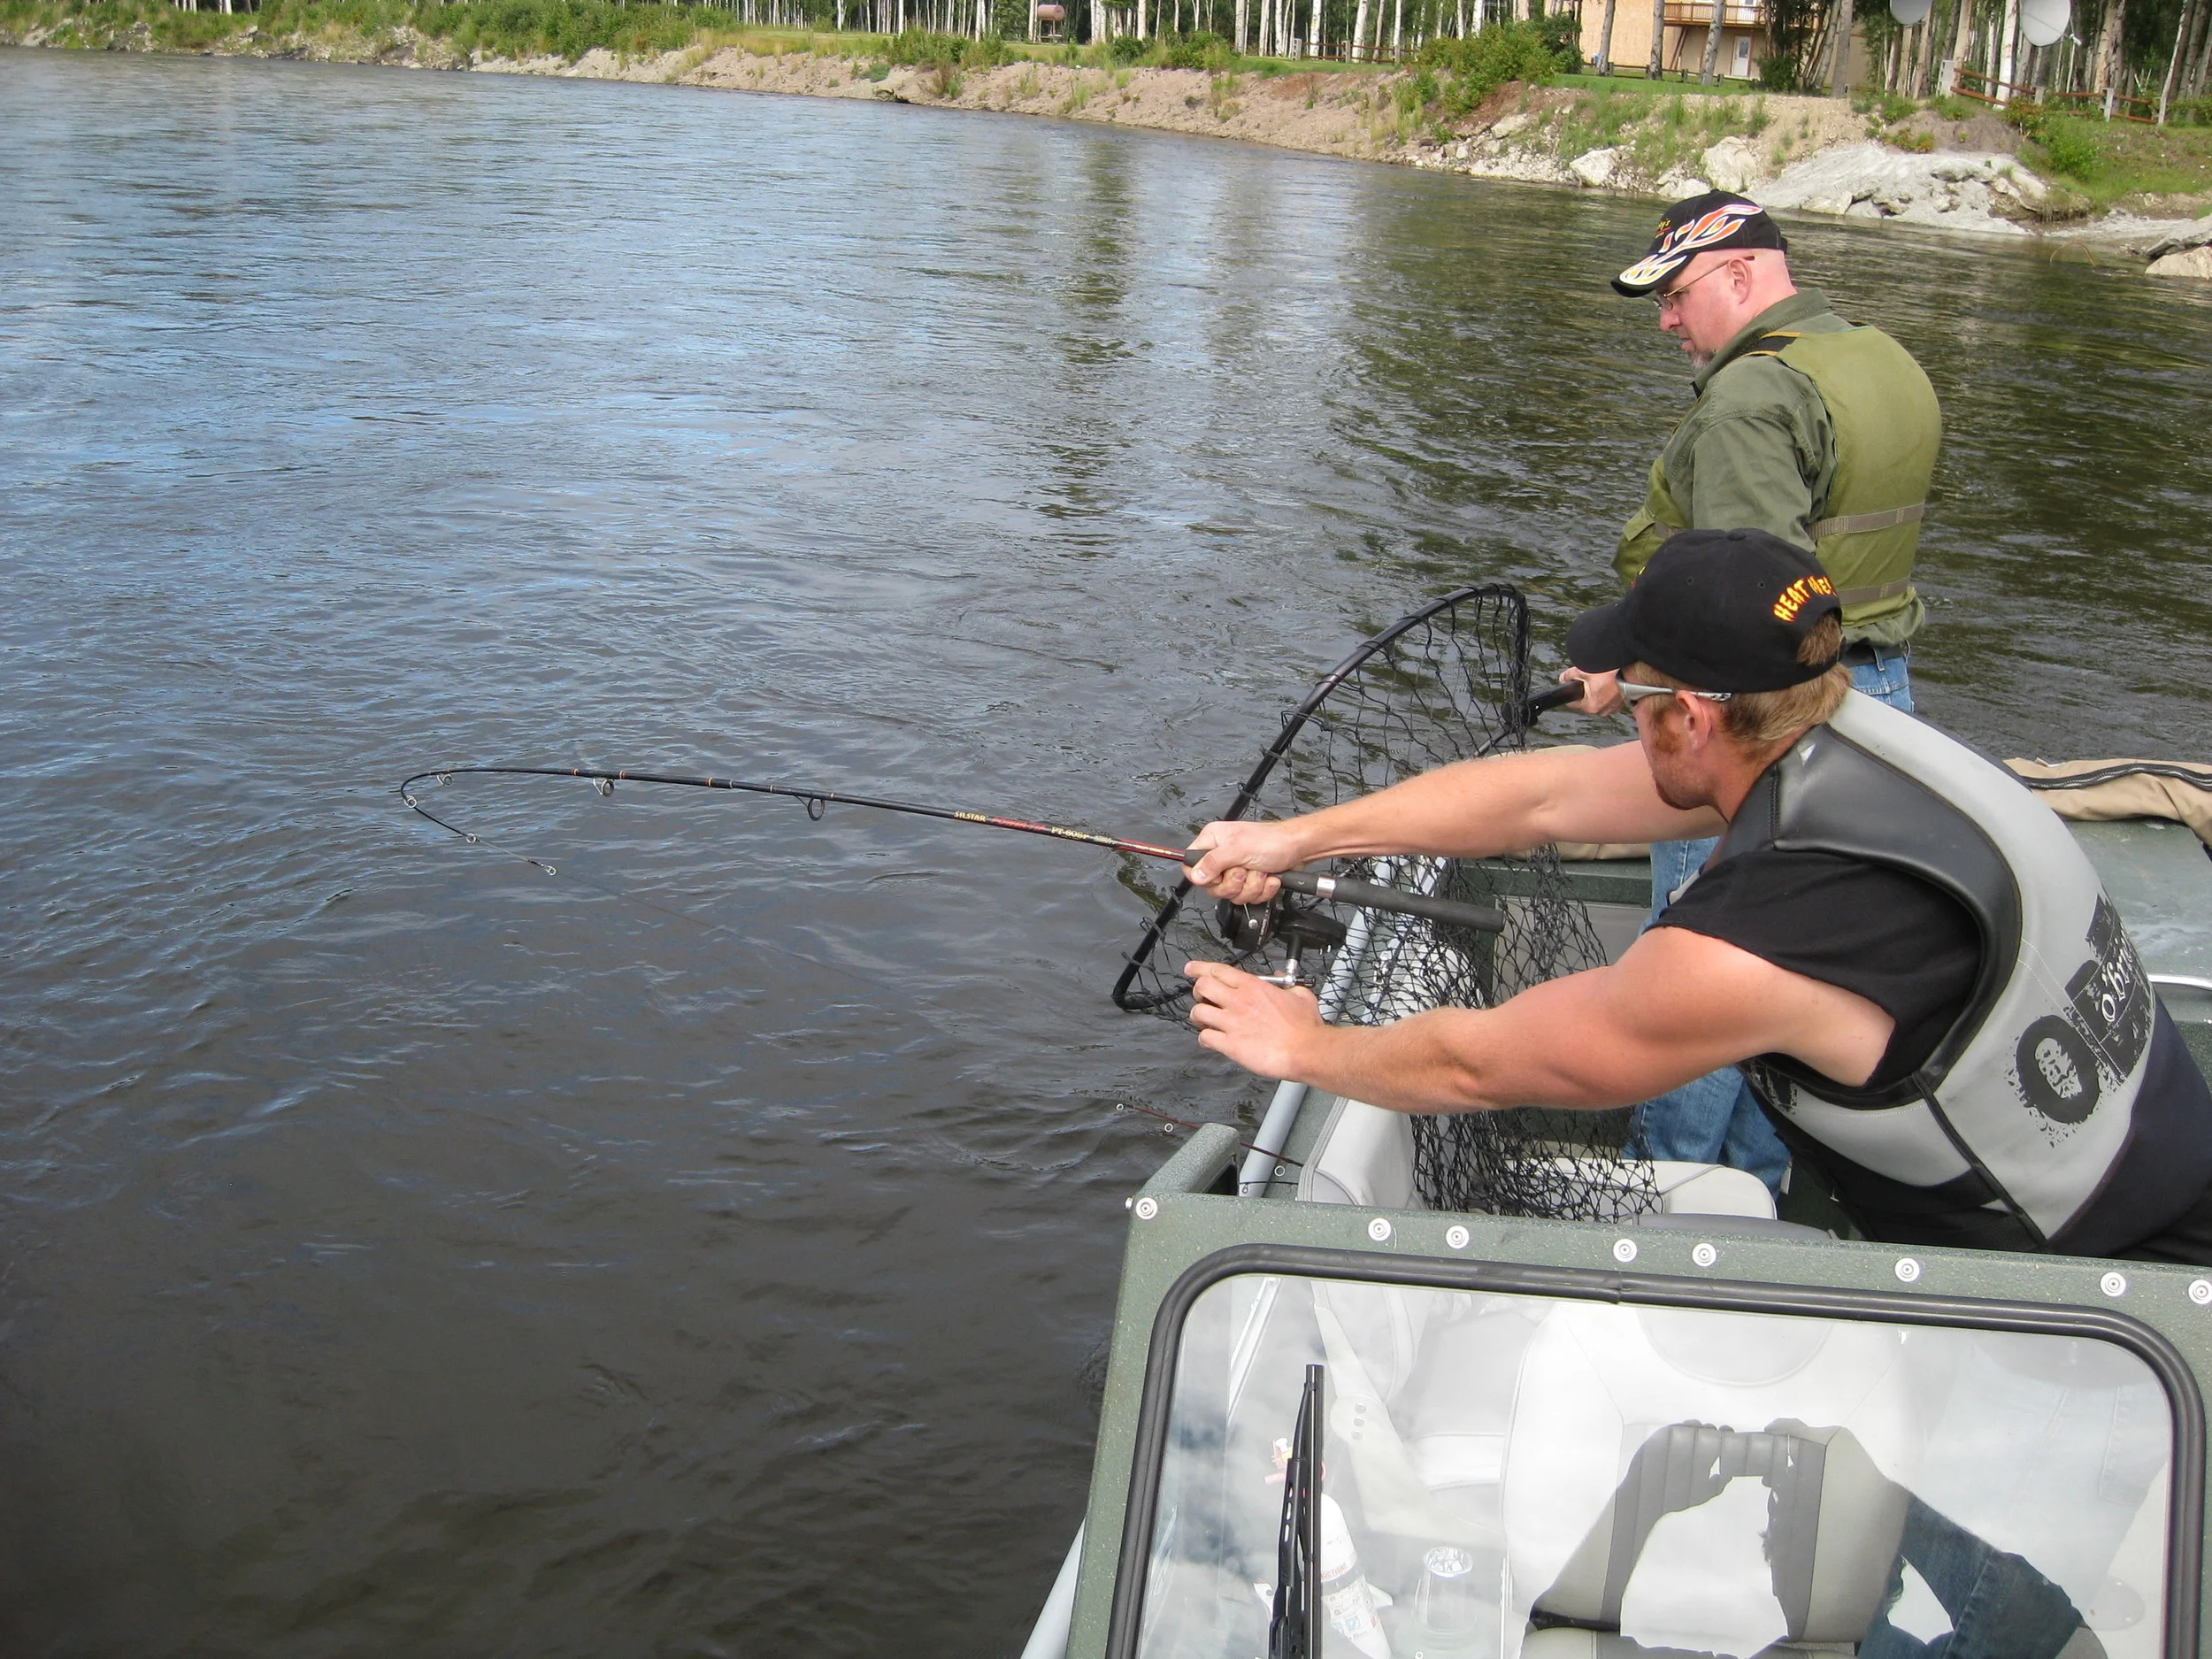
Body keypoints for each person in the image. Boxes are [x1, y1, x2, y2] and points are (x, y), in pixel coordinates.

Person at [1180, 530, 2212, 1261]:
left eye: (1632, 701)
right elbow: (1545, 795)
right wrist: (1297, 835)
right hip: (2168, 1154)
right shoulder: (1856, 740)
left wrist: (1306, 1048)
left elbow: (1483, 1061)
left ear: (1692, 718)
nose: (1620, 721)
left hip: (2098, 1291)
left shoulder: (1747, 949)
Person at [1569, 192, 1945, 1190]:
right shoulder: (1879, 356)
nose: (1665, 321)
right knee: (1800, 959)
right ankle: (1761, 1191)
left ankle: (1672, 1195)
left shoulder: (1749, 401)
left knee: (1703, 968)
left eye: (1675, 296)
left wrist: (1638, 675)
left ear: (1741, 277)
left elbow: (1743, 611)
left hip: (1757, 721)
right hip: (1878, 697)